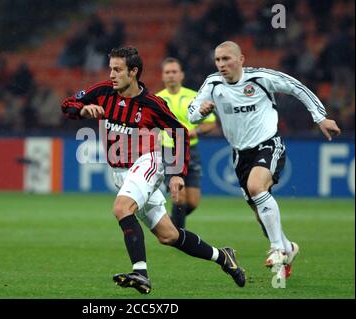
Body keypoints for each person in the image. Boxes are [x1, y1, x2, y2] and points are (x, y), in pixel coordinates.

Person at [62, 46, 246, 294]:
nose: (112, 74)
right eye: (111, 69)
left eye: (118, 69)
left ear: (133, 72)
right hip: (121, 173)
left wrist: (178, 171)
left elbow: (178, 132)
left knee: (121, 208)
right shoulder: (103, 92)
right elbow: (68, 104)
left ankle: (140, 273)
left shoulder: (151, 104)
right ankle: (223, 257)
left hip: (147, 162)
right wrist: (82, 110)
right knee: (168, 235)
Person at [188, 41, 341, 278]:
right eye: (218, 60)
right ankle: (288, 247)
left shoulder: (260, 78)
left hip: (268, 144)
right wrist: (202, 112)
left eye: (226, 59)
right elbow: (192, 114)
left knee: (256, 187)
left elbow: (296, 87)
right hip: (240, 155)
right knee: (261, 216)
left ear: (241, 59)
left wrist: (320, 118)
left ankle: (278, 249)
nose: (221, 65)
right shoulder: (212, 83)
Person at [156, 57, 217, 228]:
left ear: (181, 75)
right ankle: (180, 238)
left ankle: (169, 224)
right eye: (167, 72)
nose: (171, 76)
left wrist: (195, 131)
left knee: (193, 201)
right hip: (170, 151)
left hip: (191, 150)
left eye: (174, 72)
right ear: (162, 76)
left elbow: (211, 123)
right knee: (179, 197)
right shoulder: (156, 100)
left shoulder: (194, 97)